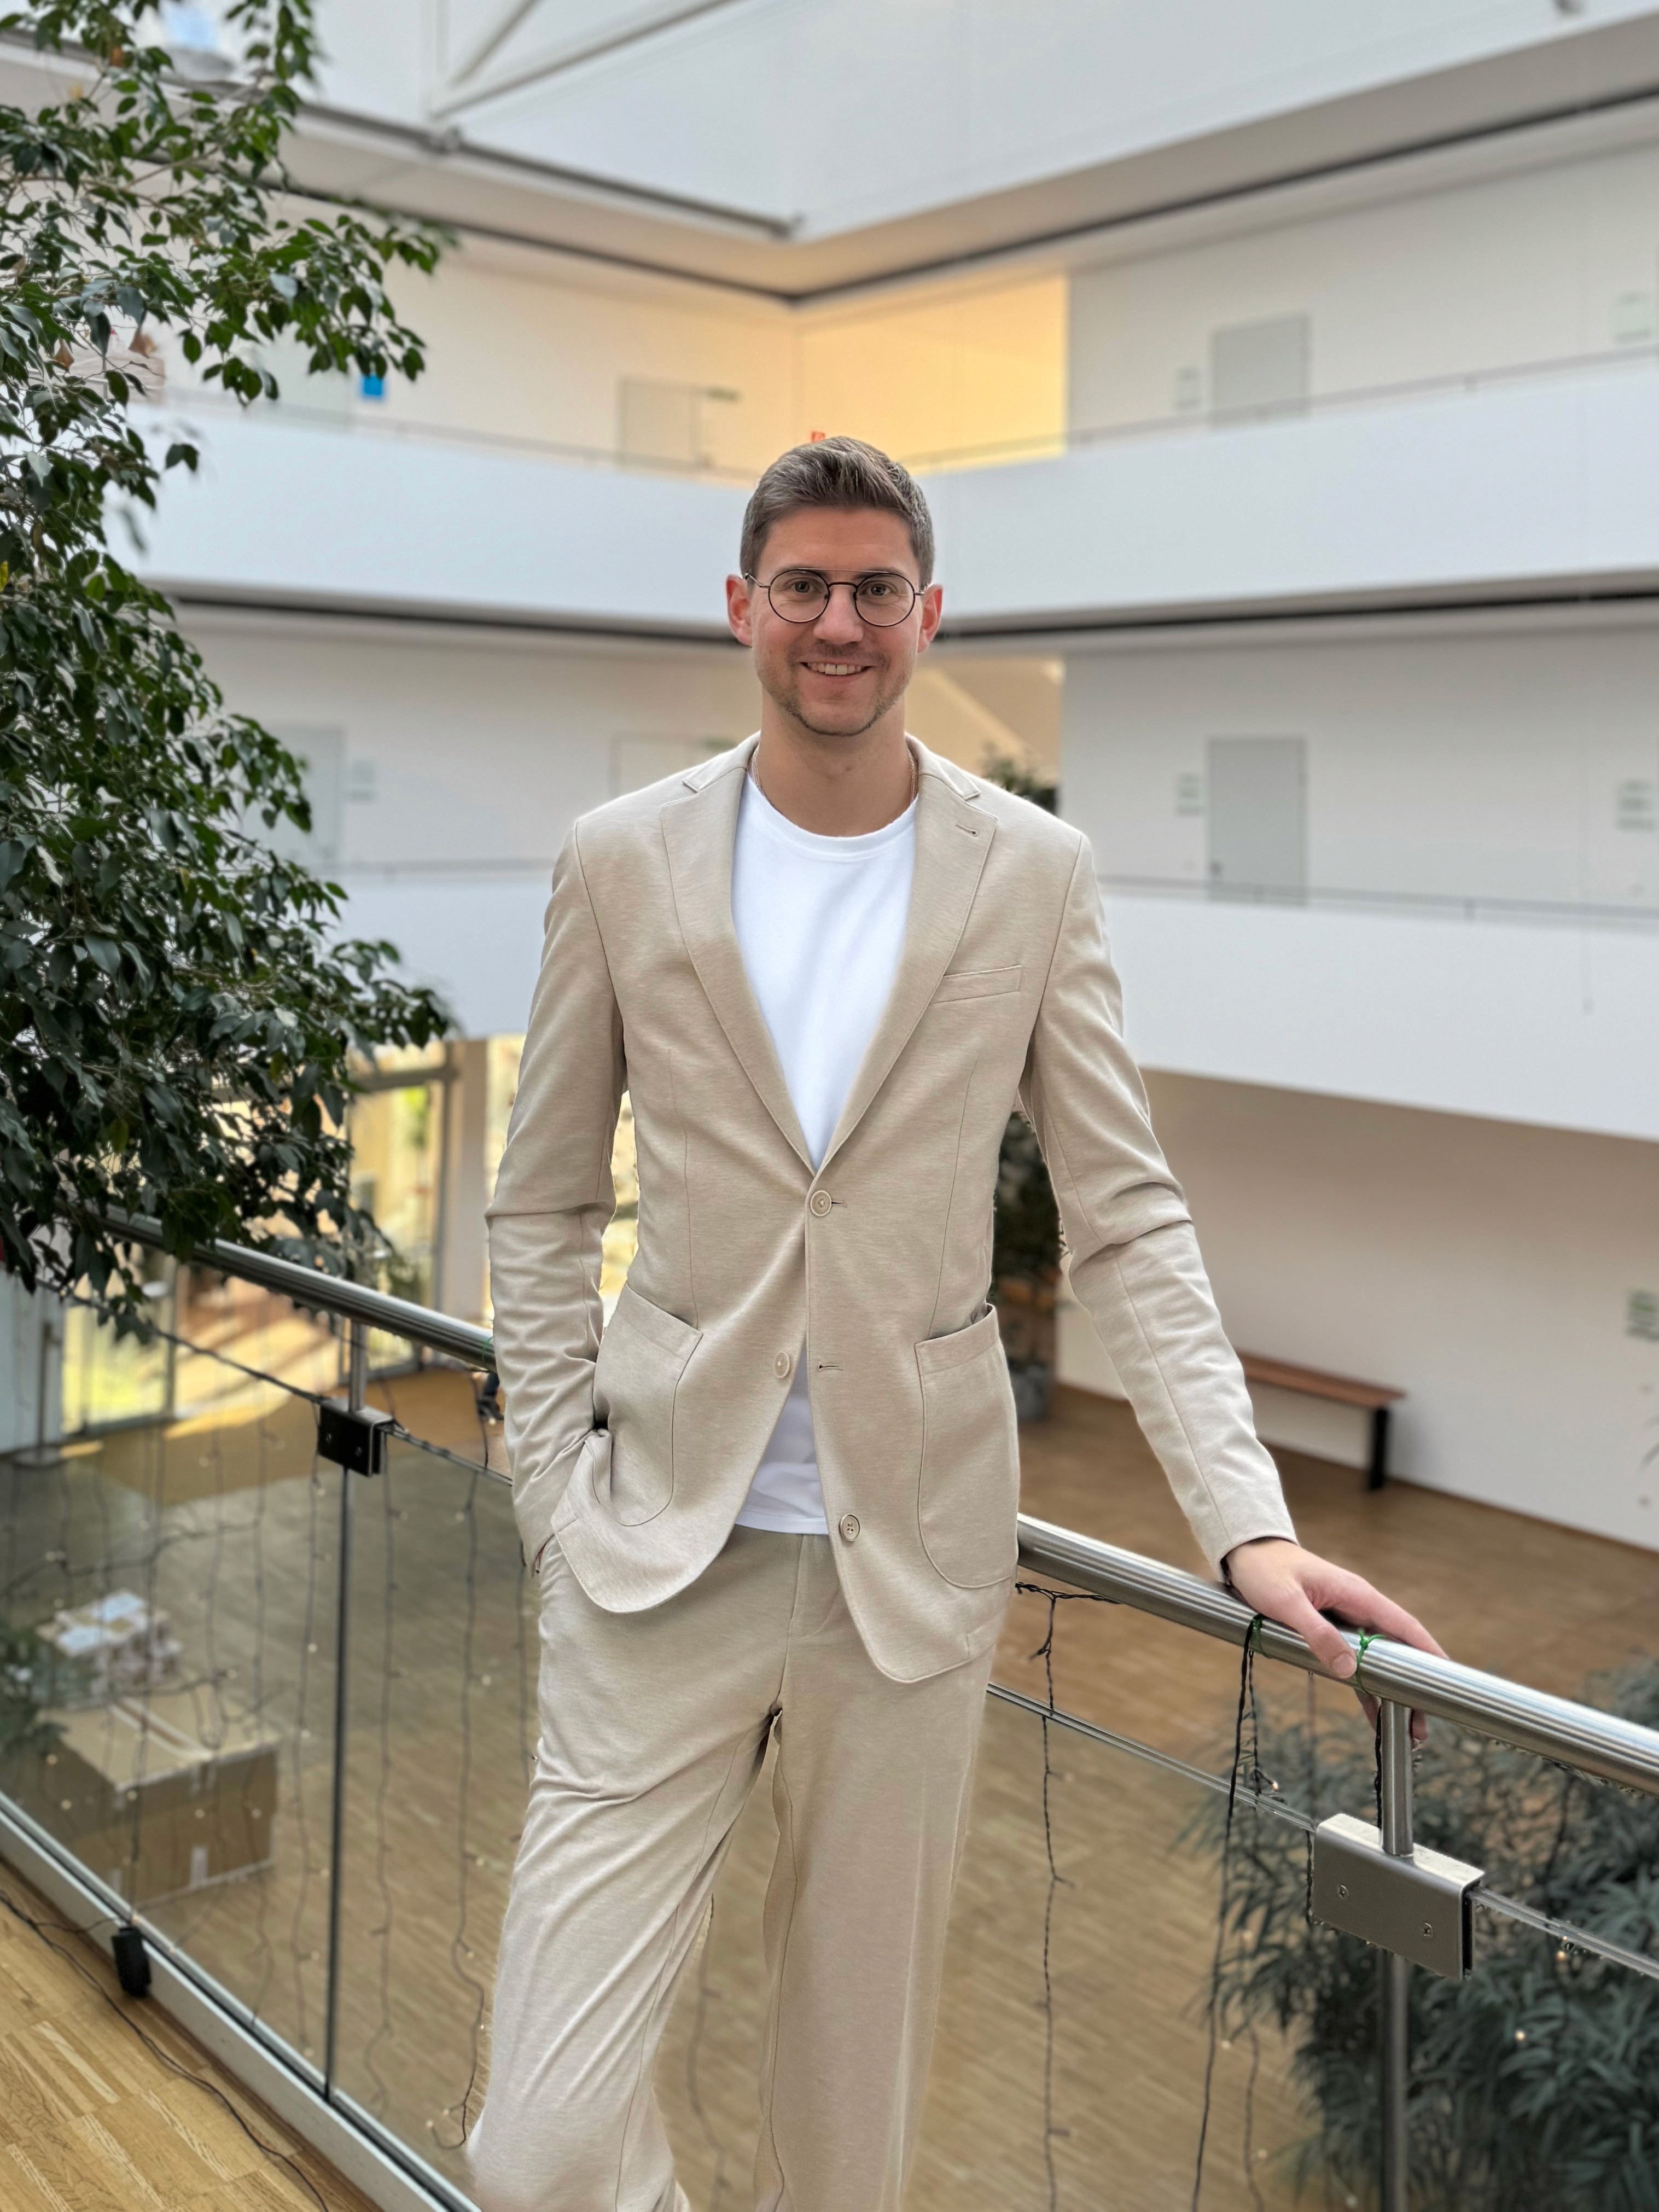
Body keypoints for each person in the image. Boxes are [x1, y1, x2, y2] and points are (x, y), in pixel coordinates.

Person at [470, 437, 1441, 2212]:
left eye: (870, 590)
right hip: (647, 1560)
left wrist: (1247, 1521)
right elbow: (536, 1205)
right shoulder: (620, 859)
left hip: (903, 1576)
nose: (835, 623)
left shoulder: (1031, 874)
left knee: (844, 2141)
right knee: (534, 2145)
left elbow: (1124, 1210)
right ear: (740, 609)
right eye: (800, 587)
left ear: (927, 613)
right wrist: (551, 1493)